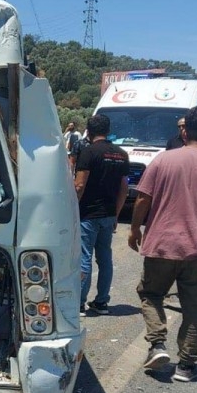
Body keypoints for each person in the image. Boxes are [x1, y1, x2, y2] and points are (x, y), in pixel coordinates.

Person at [128, 105, 197, 382]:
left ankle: (157, 344)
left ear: (185, 130)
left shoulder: (163, 160)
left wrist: (134, 229)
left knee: (151, 295)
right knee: (195, 307)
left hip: (161, 244)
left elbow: (142, 198)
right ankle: (186, 365)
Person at [74, 113, 130, 316]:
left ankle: (79, 303)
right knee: (105, 258)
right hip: (108, 214)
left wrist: (72, 209)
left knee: (84, 257)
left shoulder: (89, 152)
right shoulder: (121, 154)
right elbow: (124, 188)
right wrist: (116, 213)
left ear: (88, 131)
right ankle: (102, 302)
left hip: (88, 214)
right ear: (107, 131)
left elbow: (79, 184)